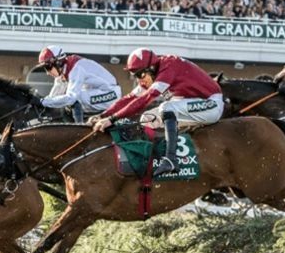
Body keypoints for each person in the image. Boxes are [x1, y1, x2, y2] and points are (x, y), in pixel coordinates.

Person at [90, 48, 223, 176]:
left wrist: (112, 119)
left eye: (140, 74)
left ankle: (171, 159)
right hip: (191, 103)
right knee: (147, 119)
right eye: (135, 76)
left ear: (152, 68)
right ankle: (158, 158)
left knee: (167, 107)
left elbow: (146, 99)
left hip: (211, 104)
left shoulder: (169, 66)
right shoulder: (152, 74)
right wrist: (102, 115)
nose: (139, 80)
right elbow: (130, 98)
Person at [36, 45, 121, 123]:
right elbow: (53, 97)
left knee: (75, 98)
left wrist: (42, 102)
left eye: (48, 67)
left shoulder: (76, 68)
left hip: (111, 94)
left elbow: (71, 98)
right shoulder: (63, 71)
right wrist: (40, 101)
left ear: (58, 62)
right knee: (63, 100)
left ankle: (79, 129)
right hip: (98, 91)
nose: (47, 73)